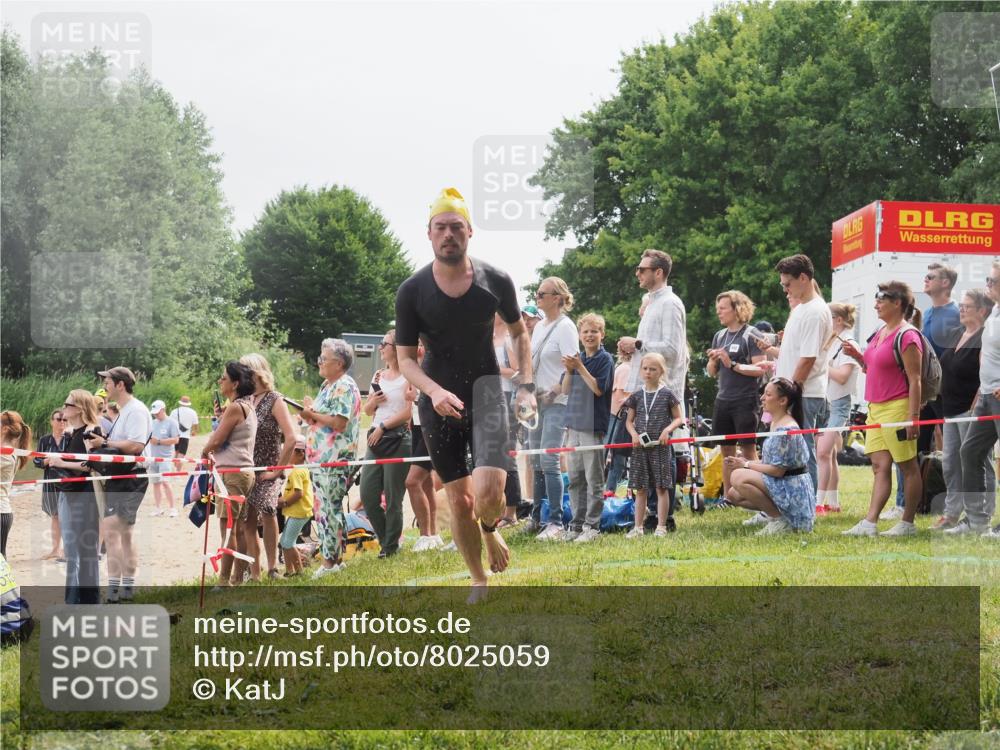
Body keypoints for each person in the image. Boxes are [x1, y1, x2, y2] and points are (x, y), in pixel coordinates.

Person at [394, 187, 536, 596]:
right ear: (429, 233)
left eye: (456, 227)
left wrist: (526, 385)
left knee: (489, 494)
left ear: (470, 231)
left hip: (487, 392)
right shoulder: (412, 291)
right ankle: (478, 578)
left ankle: (490, 528)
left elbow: (519, 332)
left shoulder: (496, 279)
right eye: (440, 227)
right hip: (438, 400)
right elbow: (405, 360)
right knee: (460, 502)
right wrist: (434, 392)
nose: (448, 235)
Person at [840, 282, 924, 536]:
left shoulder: (907, 336)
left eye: (880, 299)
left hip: (898, 408)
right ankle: (870, 523)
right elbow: (873, 368)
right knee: (879, 466)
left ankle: (907, 523)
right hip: (874, 408)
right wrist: (857, 356)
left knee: (907, 467)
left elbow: (915, 380)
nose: (875, 304)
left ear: (897, 303)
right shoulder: (880, 331)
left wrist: (913, 417)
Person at [300, 338, 362, 577]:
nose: (319, 362)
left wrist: (312, 413)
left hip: (334, 459)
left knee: (329, 510)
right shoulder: (328, 385)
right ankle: (335, 559)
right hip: (321, 460)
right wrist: (309, 413)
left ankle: (330, 563)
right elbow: (321, 418)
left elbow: (339, 422)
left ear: (339, 363)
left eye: (323, 359)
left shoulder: (343, 386)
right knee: (323, 509)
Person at [936, 289, 994, 533]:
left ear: (981, 310)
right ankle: (952, 513)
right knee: (951, 463)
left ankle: (982, 513)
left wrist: (977, 403)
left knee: (977, 461)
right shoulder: (957, 333)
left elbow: (986, 373)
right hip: (950, 410)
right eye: (960, 305)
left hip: (971, 409)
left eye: (967, 306)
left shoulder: (985, 337)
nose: (961, 309)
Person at [774, 254, 833, 493]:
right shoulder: (801, 308)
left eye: (788, 283)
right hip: (795, 391)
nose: (785, 289)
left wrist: (790, 393)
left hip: (803, 393)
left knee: (802, 452)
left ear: (803, 278)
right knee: (789, 452)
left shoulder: (815, 311)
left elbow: (808, 359)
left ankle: (807, 504)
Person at [725, 378, 815, 535]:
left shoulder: (786, 430)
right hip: (785, 483)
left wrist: (745, 465)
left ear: (782, 401)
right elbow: (773, 462)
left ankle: (780, 520)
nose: (762, 398)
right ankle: (770, 514)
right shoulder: (776, 423)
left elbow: (777, 471)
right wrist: (746, 461)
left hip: (791, 489)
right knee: (733, 494)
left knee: (738, 476)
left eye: (767, 394)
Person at [528, 277, 579, 540]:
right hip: (535, 402)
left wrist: (553, 392)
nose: (537, 297)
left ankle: (555, 521)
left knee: (549, 460)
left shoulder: (566, 327)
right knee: (535, 459)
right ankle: (537, 517)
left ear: (557, 298)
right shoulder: (539, 327)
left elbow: (572, 367)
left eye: (541, 294)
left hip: (557, 402)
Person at [239, 353, 299, 580]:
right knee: (248, 519)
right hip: (247, 467)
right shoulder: (244, 400)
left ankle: (273, 567)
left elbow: (291, 438)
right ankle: (254, 571)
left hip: (269, 468)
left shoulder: (275, 399)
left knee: (267, 509)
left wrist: (277, 470)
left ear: (255, 373)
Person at [200, 361, 258, 586]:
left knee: (229, 529)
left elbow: (217, 441)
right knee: (239, 529)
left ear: (235, 384)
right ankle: (237, 578)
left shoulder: (235, 408)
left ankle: (223, 581)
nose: (219, 381)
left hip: (231, 473)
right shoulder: (246, 406)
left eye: (223, 378)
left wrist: (204, 453)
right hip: (243, 471)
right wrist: (221, 418)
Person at [97, 367, 152, 602]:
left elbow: (136, 446)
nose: (104, 386)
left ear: (120, 385)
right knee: (125, 534)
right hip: (122, 476)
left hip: (131, 476)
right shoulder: (124, 411)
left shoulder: (136, 410)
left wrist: (105, 443)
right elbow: (122, 444)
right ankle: (126, 588)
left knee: (111, 531)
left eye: (107, 382)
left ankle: (114, 591)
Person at [706, 290, 767, 499]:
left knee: (748, 450)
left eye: (723, 308)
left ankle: (759, 493)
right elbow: (711, 372)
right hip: (723, 399)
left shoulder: (751, 334)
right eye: (717, 309)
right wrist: (713, 360)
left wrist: (731, 363)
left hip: (746, 400)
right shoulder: (719, 336)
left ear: (737, 309)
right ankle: (728, 497)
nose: (719, 312)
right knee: (726, 452)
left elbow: (760, 368)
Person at [560, 312, 615, 542]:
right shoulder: (577, 358)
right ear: (580, 335)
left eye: (594, 331)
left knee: (594, 479)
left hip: (593, 427)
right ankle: (576, 525)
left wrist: (580, 367)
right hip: (573, 425)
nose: (590, 335)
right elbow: (564, 389)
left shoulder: (605, 360)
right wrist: (570, 370)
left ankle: (592, 526)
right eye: (585, 331)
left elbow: (598, 389)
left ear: (602, 334)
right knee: (575, 479)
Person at [360, 329, 414, 558]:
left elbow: (408, 413)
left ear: (397, 348)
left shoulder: (409, 376)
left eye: (384, 344)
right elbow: (367, 411)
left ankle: (390, 548)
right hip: (375, 439)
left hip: (398, 438)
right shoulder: (378, 375)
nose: (380, 347)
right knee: (368, 495)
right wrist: (373, 400)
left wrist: (383, 427)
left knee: (393, 498)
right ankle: (387, 541)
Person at [46, 392, 102, 603]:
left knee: (80, 550)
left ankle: (79, 601)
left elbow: (90, 463)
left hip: (83, 494)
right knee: (74, 549)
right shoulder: (73, 432)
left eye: (67, 404)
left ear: (79, 408)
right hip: (68, 491)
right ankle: (80, 600)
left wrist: (61, 462)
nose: (63, 408)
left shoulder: (90, 431)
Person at [623, 353, 684, 537]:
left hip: (660, 448)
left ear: (661, 371)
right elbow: (629, 421)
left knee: (661, 487)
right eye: (645, 368)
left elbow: (679, 418)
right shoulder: (636, 395)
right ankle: (638, 527)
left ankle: (661, 526)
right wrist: (634, 434)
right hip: (640, 448)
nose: (648, 372)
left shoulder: (668, 394)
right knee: (641, 488)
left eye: (653, 369)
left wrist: (667, 430)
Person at [962, 261, 1000, 538]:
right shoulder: (995, 310)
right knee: (970, 451)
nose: (988, 285)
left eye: (993, 281)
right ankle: (977, 521)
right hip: (987, 395)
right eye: (987, 280)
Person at [815, 303, 862, 515]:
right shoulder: (833, 341)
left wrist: (821, 367)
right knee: (829, 454)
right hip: (827, 402)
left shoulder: (848, 343)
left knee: (823, 452)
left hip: (839, 404)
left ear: (839, 320)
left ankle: (818, 502)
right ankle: (833, 503)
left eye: (828, 318)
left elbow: (842, 377)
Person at [492, 313, 524, 531]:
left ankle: (511, 512)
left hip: (507, 399)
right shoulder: (486, 336)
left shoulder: (509, 339)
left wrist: (494, 368)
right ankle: (497, 509)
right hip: (487, 398)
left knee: (507, 455)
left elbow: (517, 372)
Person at [277, 438, 313, 576]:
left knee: (288, 543)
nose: (287, 455)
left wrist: (284, 502)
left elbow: (298, 493)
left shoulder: (297, 472)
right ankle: (289, 571)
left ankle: (299, 571)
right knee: (284, 542)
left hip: (299, 513)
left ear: (300, 454)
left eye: (289, 452)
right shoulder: (300, 469)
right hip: (296, 513)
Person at [34, 410, 66, 560]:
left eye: (65, 420)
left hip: (68, 483)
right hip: (50, 483)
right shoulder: (44, 440)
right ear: (52, 421)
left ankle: (67, 549)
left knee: (68, 516)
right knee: (55, 515)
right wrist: (47, 460)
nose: (62, 422)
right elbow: (36, 461)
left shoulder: (70, 438)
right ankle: (55, 549)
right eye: (59, 419)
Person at [0, 412, 32, 558]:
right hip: (3, 511)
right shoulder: (8, 451)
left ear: (5, 429)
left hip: (1, 512)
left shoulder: (5, 454)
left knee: (1, 562)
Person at [604, 345, 633, 494]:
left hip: (616, 416)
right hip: (618, 417)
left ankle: (609, 490)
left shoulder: (623, 367)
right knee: (617, 457)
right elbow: (622, 397)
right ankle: (609, 490)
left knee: (616, 457)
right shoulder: (626, 369)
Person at [147, 400, 180, 518]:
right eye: (154, 413)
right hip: (153, 457)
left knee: (166, 482)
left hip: (165, 458)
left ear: (163, 410)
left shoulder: (172, 422)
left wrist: (159, 441)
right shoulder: (152, 423)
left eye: (157, 412)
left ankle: (173, 508)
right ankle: (158, 508)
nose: (156, 415)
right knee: (155, 483)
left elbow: (176, 440)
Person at [170, 396, 199, 470]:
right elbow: (196, 424)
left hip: (175, 435)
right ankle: (178, 471)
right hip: (185, 436)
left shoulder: (174, 411)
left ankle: (175, 468)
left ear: (180, 402)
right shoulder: (193, 412)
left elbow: (170, 423)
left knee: (176, 452)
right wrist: (194, 431)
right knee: (181, 454)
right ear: (188, 403)